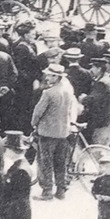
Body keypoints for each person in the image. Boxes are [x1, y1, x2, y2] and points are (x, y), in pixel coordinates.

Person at [31, 64, 74, 201]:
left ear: (56, 77)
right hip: (63, 132)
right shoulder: (68, 91)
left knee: (45, 162)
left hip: (47, 132)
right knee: (61, 162)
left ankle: (47, 191)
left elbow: (38, 112)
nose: (47, 77)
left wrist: (34, 124)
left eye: (50, 75)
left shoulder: (48, 93)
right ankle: (61, 190)